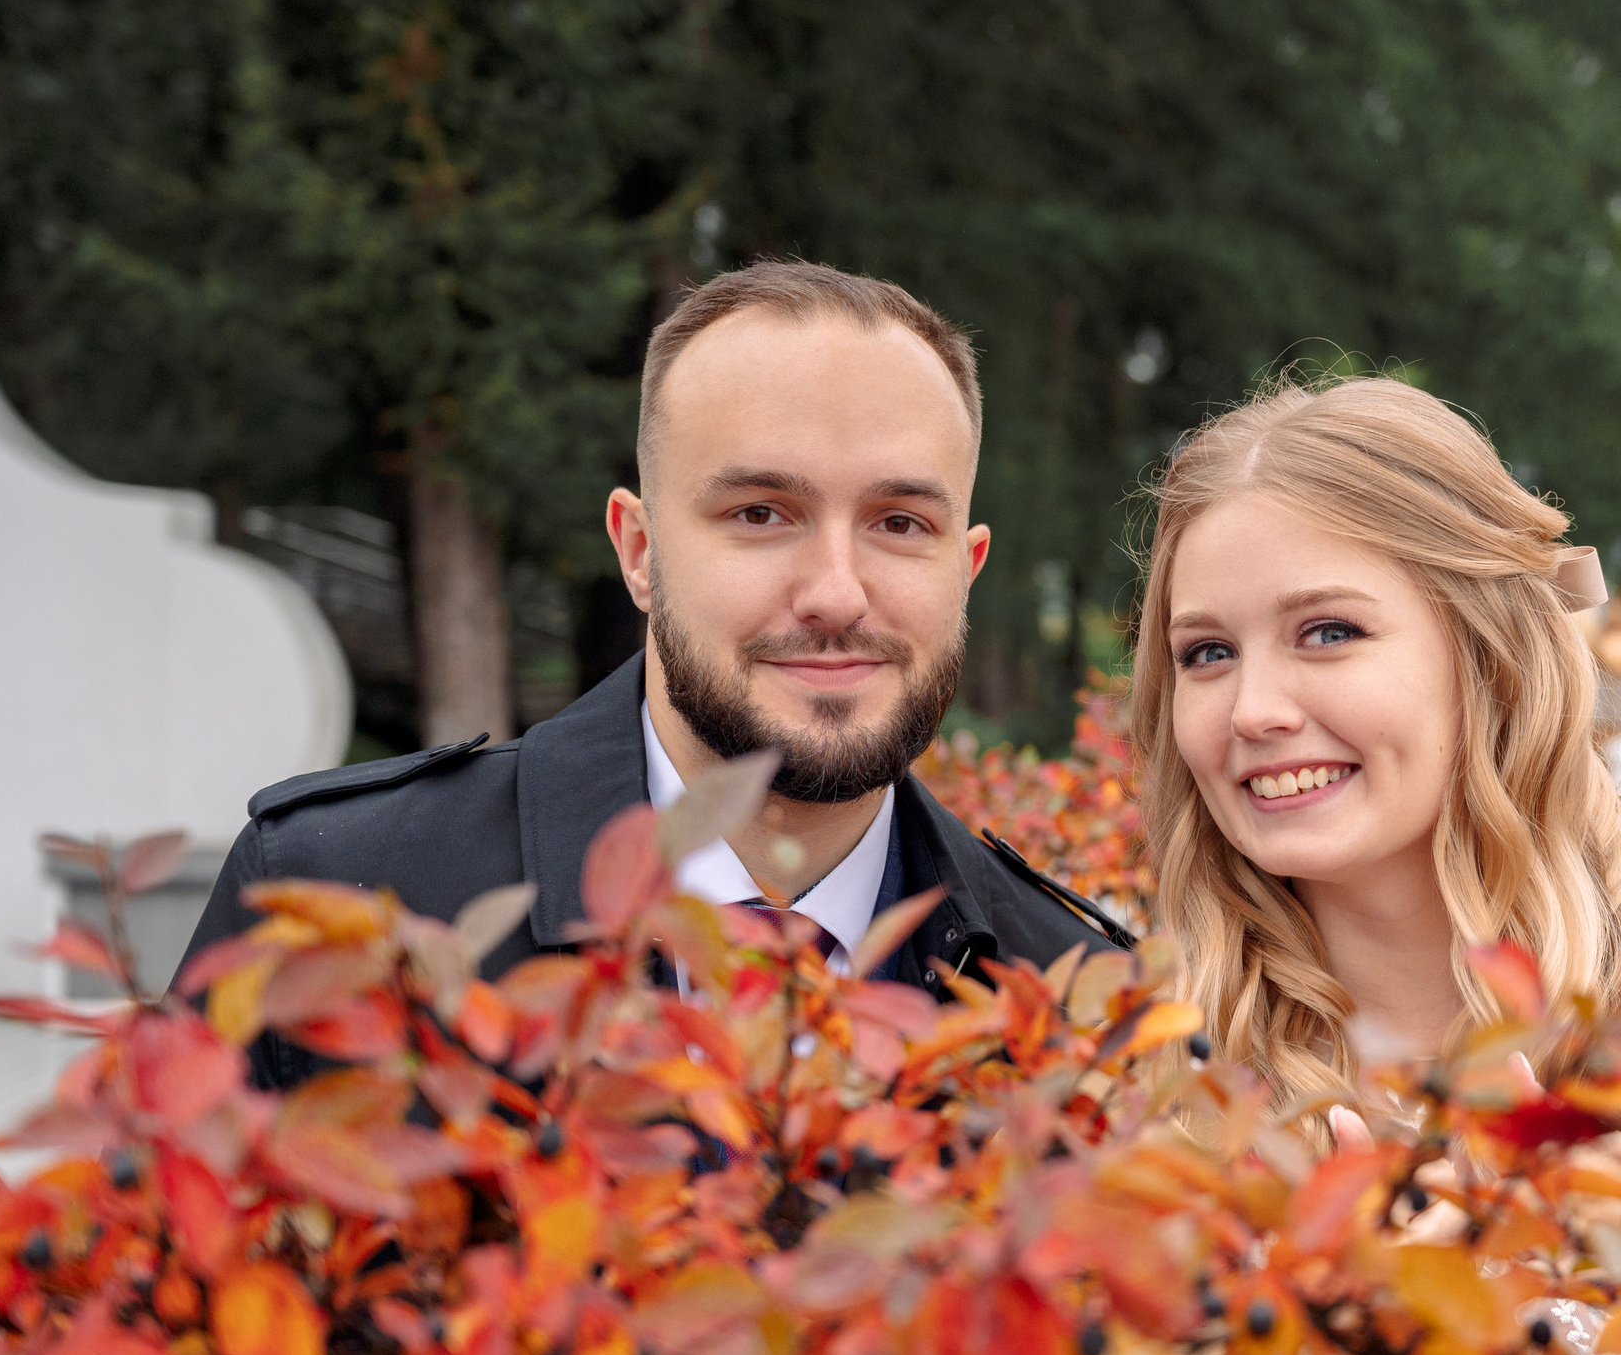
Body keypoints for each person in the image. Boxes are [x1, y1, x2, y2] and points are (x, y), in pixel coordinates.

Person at [177, 260, 1129, 1088]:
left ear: (965, 571)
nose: (837, 593)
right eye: (761, 513)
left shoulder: (1071, 1001)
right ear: (638, 552)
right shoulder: (333, 902)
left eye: (899, 523)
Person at [1127, 377, 1621, 1126]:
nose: (1254, 712)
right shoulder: (1127, 1092)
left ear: (1488, 656)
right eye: (1207, 653)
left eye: (1329, 633)